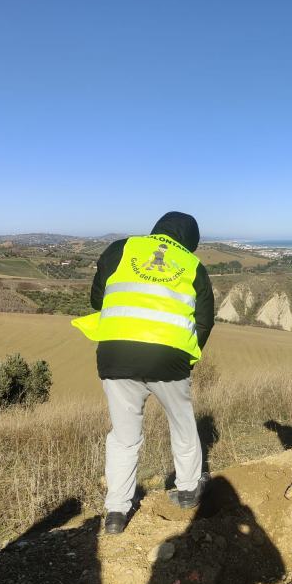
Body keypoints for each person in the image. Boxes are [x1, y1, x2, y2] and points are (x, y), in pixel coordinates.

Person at [72, 211, 215, 534]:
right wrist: (188, 357)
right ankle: (189, 489)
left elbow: (98, 299)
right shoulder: (192, 266)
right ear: (190, 241)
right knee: (182, 424)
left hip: (115, 354)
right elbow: (204, 321)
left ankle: (116, 512)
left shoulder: (119, 250)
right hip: (169, 357)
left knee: (124, 437)